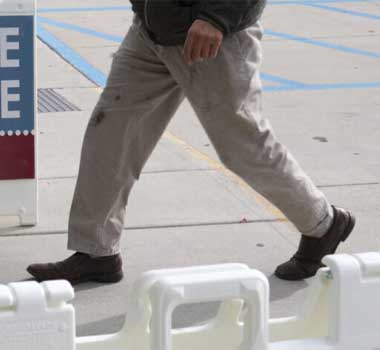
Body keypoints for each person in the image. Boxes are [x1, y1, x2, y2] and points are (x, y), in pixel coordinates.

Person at [27, 0, 355, 284]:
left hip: (212, 36)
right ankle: (96, 251)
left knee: (243, 148)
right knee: (110, 133)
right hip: (152, 32)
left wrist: (216, 16)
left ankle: (323, 224)